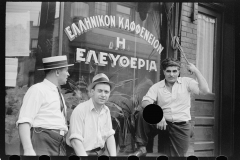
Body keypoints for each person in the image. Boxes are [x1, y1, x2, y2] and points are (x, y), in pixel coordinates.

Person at [131, 58, 210, 157]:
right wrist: (158, 116)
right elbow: (145, 102)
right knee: (142, 113)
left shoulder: (186, 82)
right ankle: (141, 147)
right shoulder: (157, 86)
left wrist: (196, 71)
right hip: (162, 123)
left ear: (178, 72)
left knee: (177, 156)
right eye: (168, 71)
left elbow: (204, 91)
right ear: (164, 72)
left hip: (180, 126)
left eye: (174, 71)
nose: (171, 74)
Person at [16, 55, 73, 156]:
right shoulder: (37, 90)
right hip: (42, 140)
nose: (68, 74)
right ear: (57, 72)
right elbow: (24, 121)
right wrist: (28, 149)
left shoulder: (57, 93)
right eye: (66, 70)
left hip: (59, 144)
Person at [66, 73, 117, 156]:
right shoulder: (80, 110)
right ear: (92, 92)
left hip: (100, 154)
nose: (103, 95)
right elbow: (75, 141)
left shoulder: (106, 110)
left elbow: (109, 135)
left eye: (106, 92)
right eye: (100, 91)